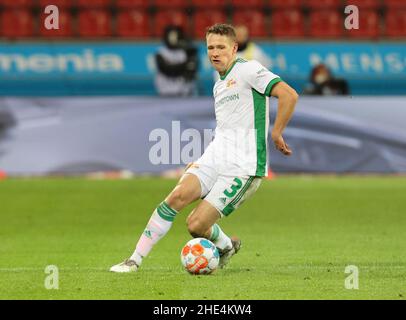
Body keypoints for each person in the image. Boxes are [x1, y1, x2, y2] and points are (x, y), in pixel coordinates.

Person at [110, 23, 298, 273]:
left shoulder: (249, 70)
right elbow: (227, 128)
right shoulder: (219, 84)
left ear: (234, 48)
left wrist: (276, 132)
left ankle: (225, 246)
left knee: (196, 225)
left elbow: (289, 95)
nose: (215, 52)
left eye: (221, 47)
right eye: (210, 47)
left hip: (243, 166)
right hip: (216, 156)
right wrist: (204, 159)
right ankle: (134, 260)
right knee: (175, 197)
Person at [154, 25, 198, 97]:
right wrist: (184, 65)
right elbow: (166, 69)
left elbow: (191, 71)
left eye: (175, 35)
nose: (173, 39)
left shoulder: (185, 52)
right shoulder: (161, 52)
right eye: (171, 36)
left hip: (183, 93)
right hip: (165, 91)